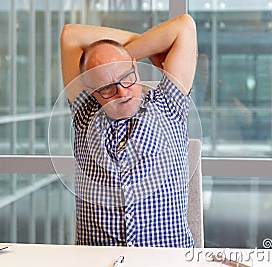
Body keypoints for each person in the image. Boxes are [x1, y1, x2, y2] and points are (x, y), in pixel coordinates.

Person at [60, 14, 197, 247]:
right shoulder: (85, 113)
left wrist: (132, 51)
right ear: (92, 91)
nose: (123, 93)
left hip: (167, 260)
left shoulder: (168, 104)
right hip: (98, 262)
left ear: (135, 65)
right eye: (107, 89)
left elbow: (184, 26)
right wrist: (146, 46)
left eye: (126, 77)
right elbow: (70, 36)